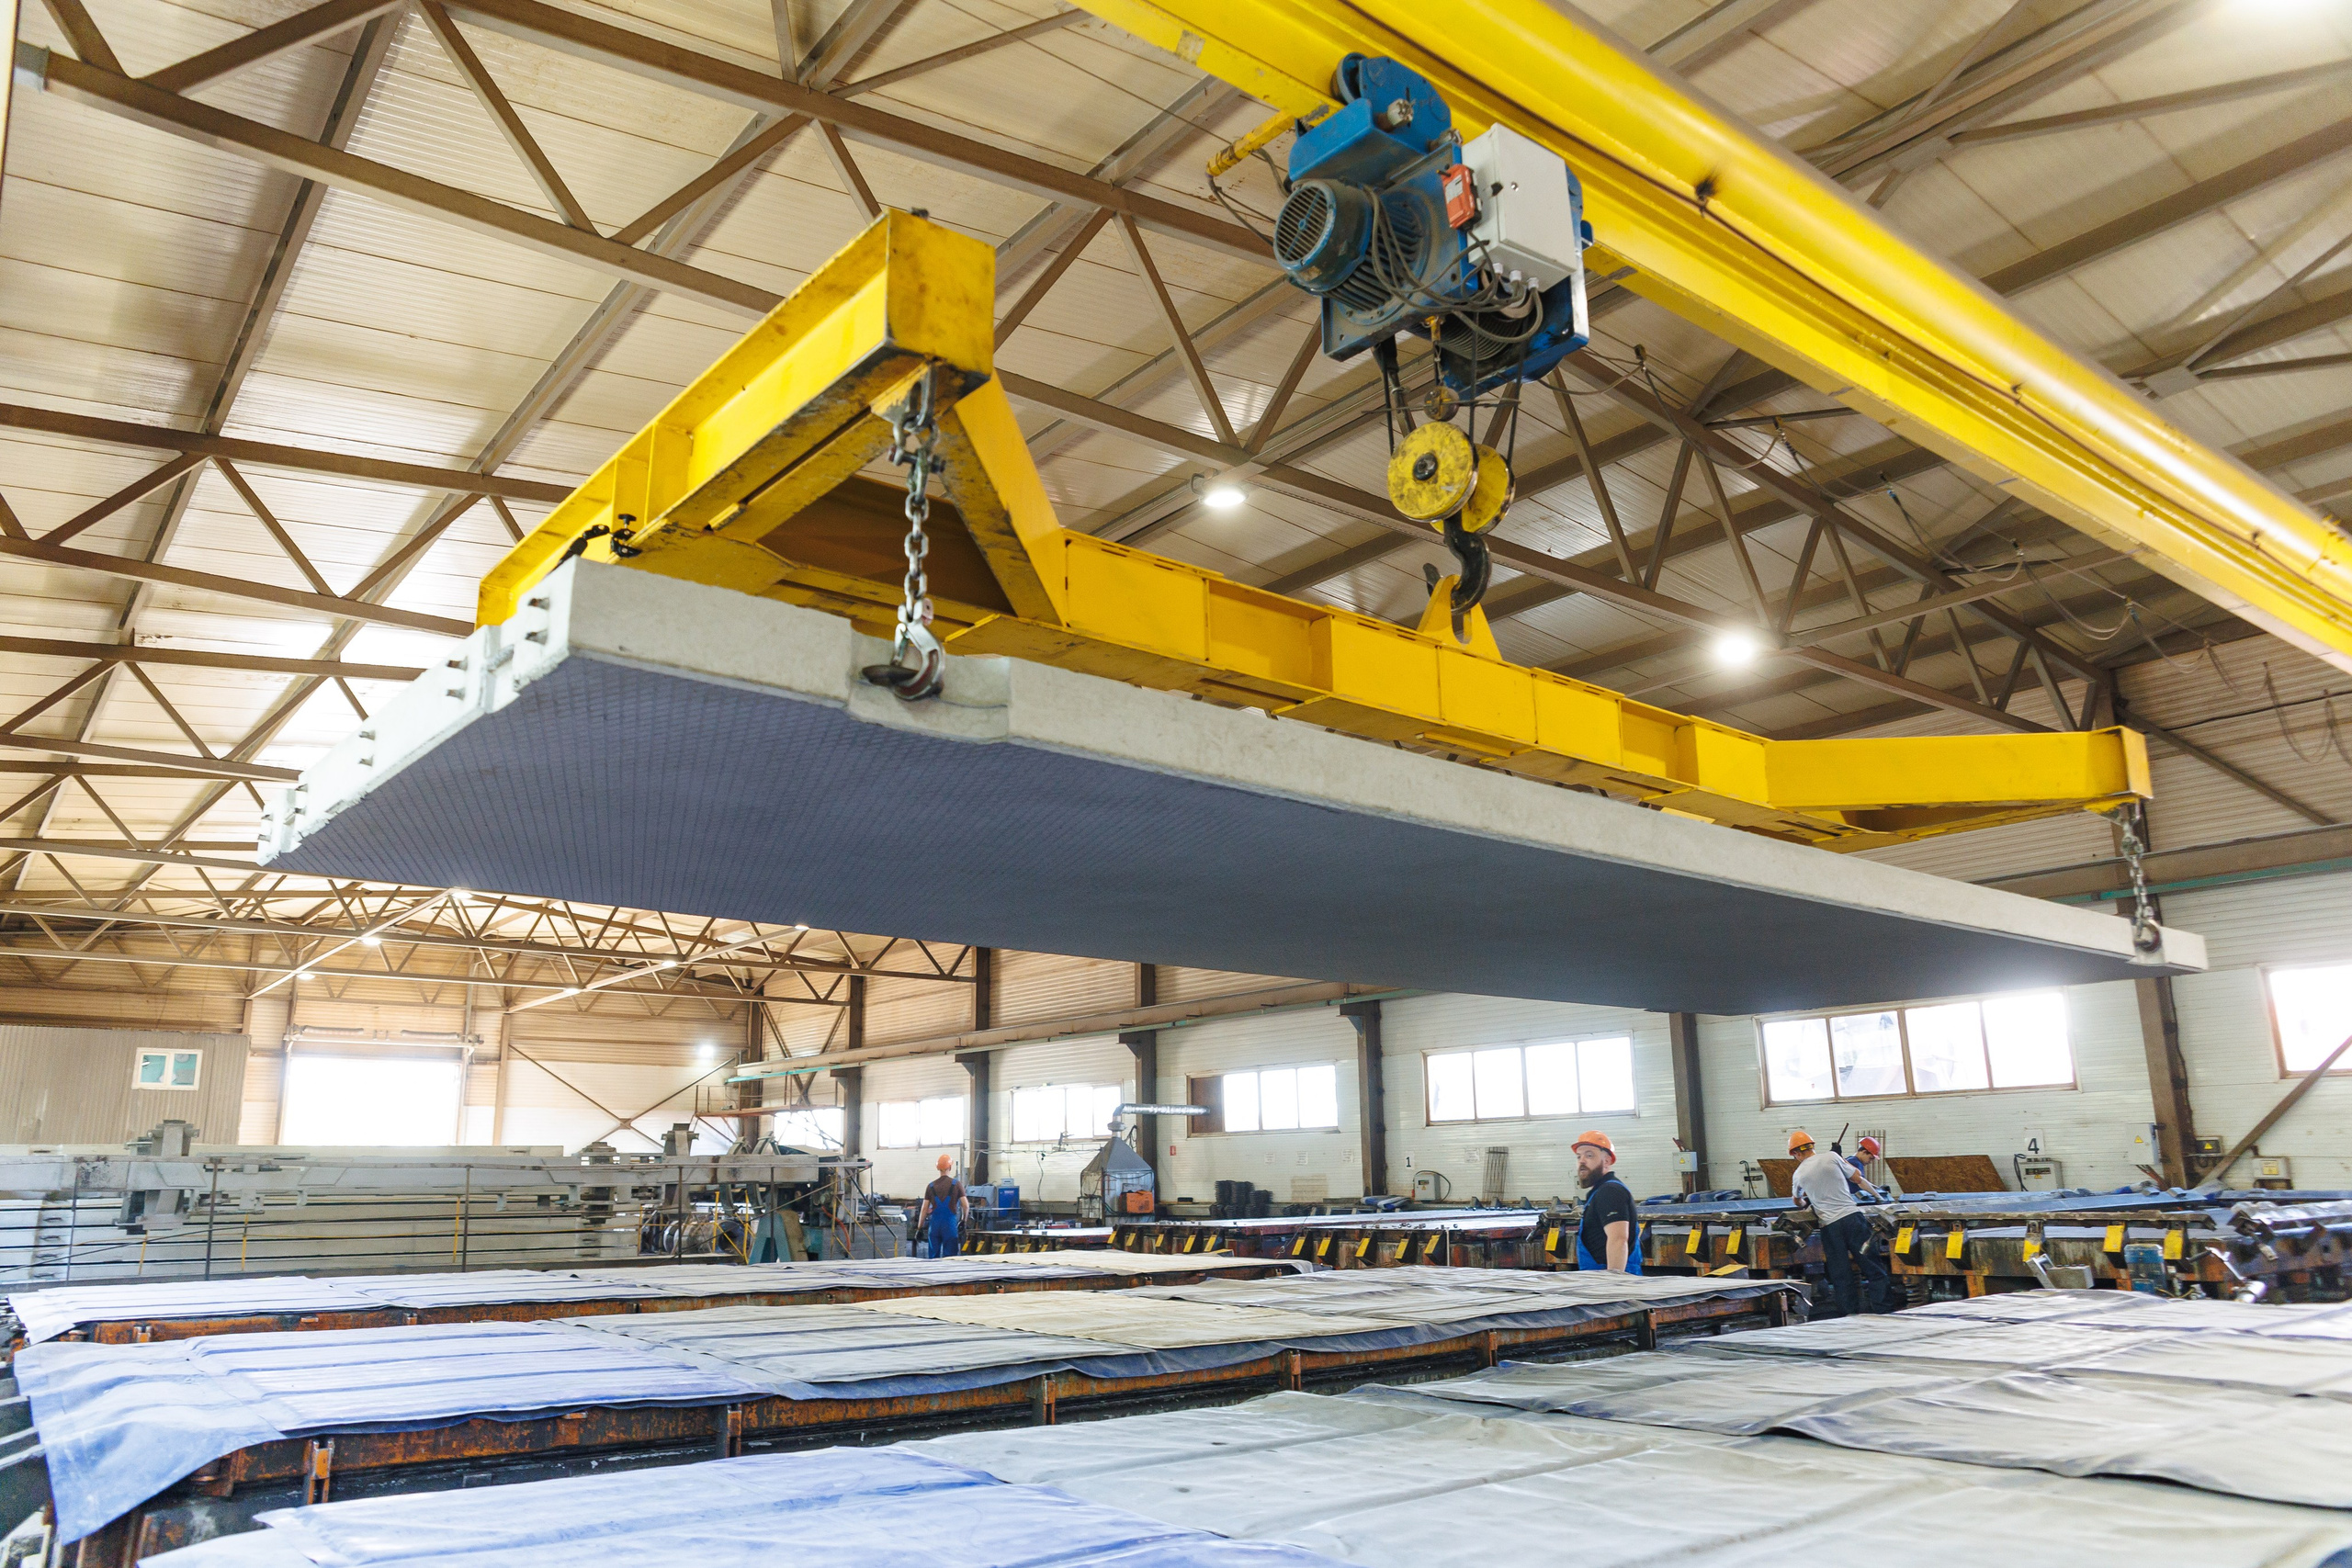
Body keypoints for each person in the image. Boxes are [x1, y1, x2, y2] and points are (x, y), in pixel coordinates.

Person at [1790, 1129, 1889, 1315]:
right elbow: (1856, 1178)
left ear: (1795, 1153)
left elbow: (1797, 1202)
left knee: (1841, 1275)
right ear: (1812, 1146)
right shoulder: (1832, 1157)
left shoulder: (1798, 1174)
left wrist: (1806, 1202)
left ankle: (1848, 1316)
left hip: (1830, 1227)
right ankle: (1884, 1311)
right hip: (1853, 1220)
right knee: (1873, 1267)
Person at [1571, 1130, 1641, 1274]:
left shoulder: (1610, 1191)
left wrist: (1613, 1285)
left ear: (1607, 1161)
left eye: (1589, 1155)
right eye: (1579, 1156)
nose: (1582, 1161)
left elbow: (1618, 1240)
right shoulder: (1600, 1191)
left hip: (1613, 1283)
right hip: (1597, 1278)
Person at [914, 1154, 968, 1258]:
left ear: (937, 1168)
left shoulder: (930, 1186)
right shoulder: (956, 1184)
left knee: (933, 1257)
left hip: (934, 1226)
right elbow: (965, 1206)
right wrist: (963, 1221)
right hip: (949, 1225)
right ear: (950, 1167)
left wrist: (919, 1228)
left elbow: (924, 1209)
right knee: (951, 1258)